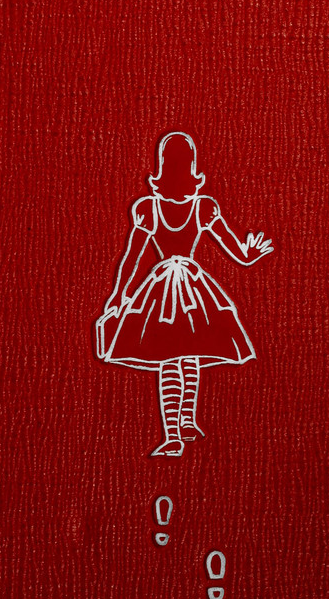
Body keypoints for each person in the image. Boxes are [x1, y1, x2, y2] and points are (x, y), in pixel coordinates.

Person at [95, 132, 273, 457]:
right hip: (193, 287)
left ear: (160, 169)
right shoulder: (202, 207)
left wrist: (119, 295)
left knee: (168, 357)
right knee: (189, 353)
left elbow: (132, 258)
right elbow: (237, 251)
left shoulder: (149, 209)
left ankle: (175, 434)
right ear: (193, 169)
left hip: (161, 288)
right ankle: (184, 424)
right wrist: (251, 253)